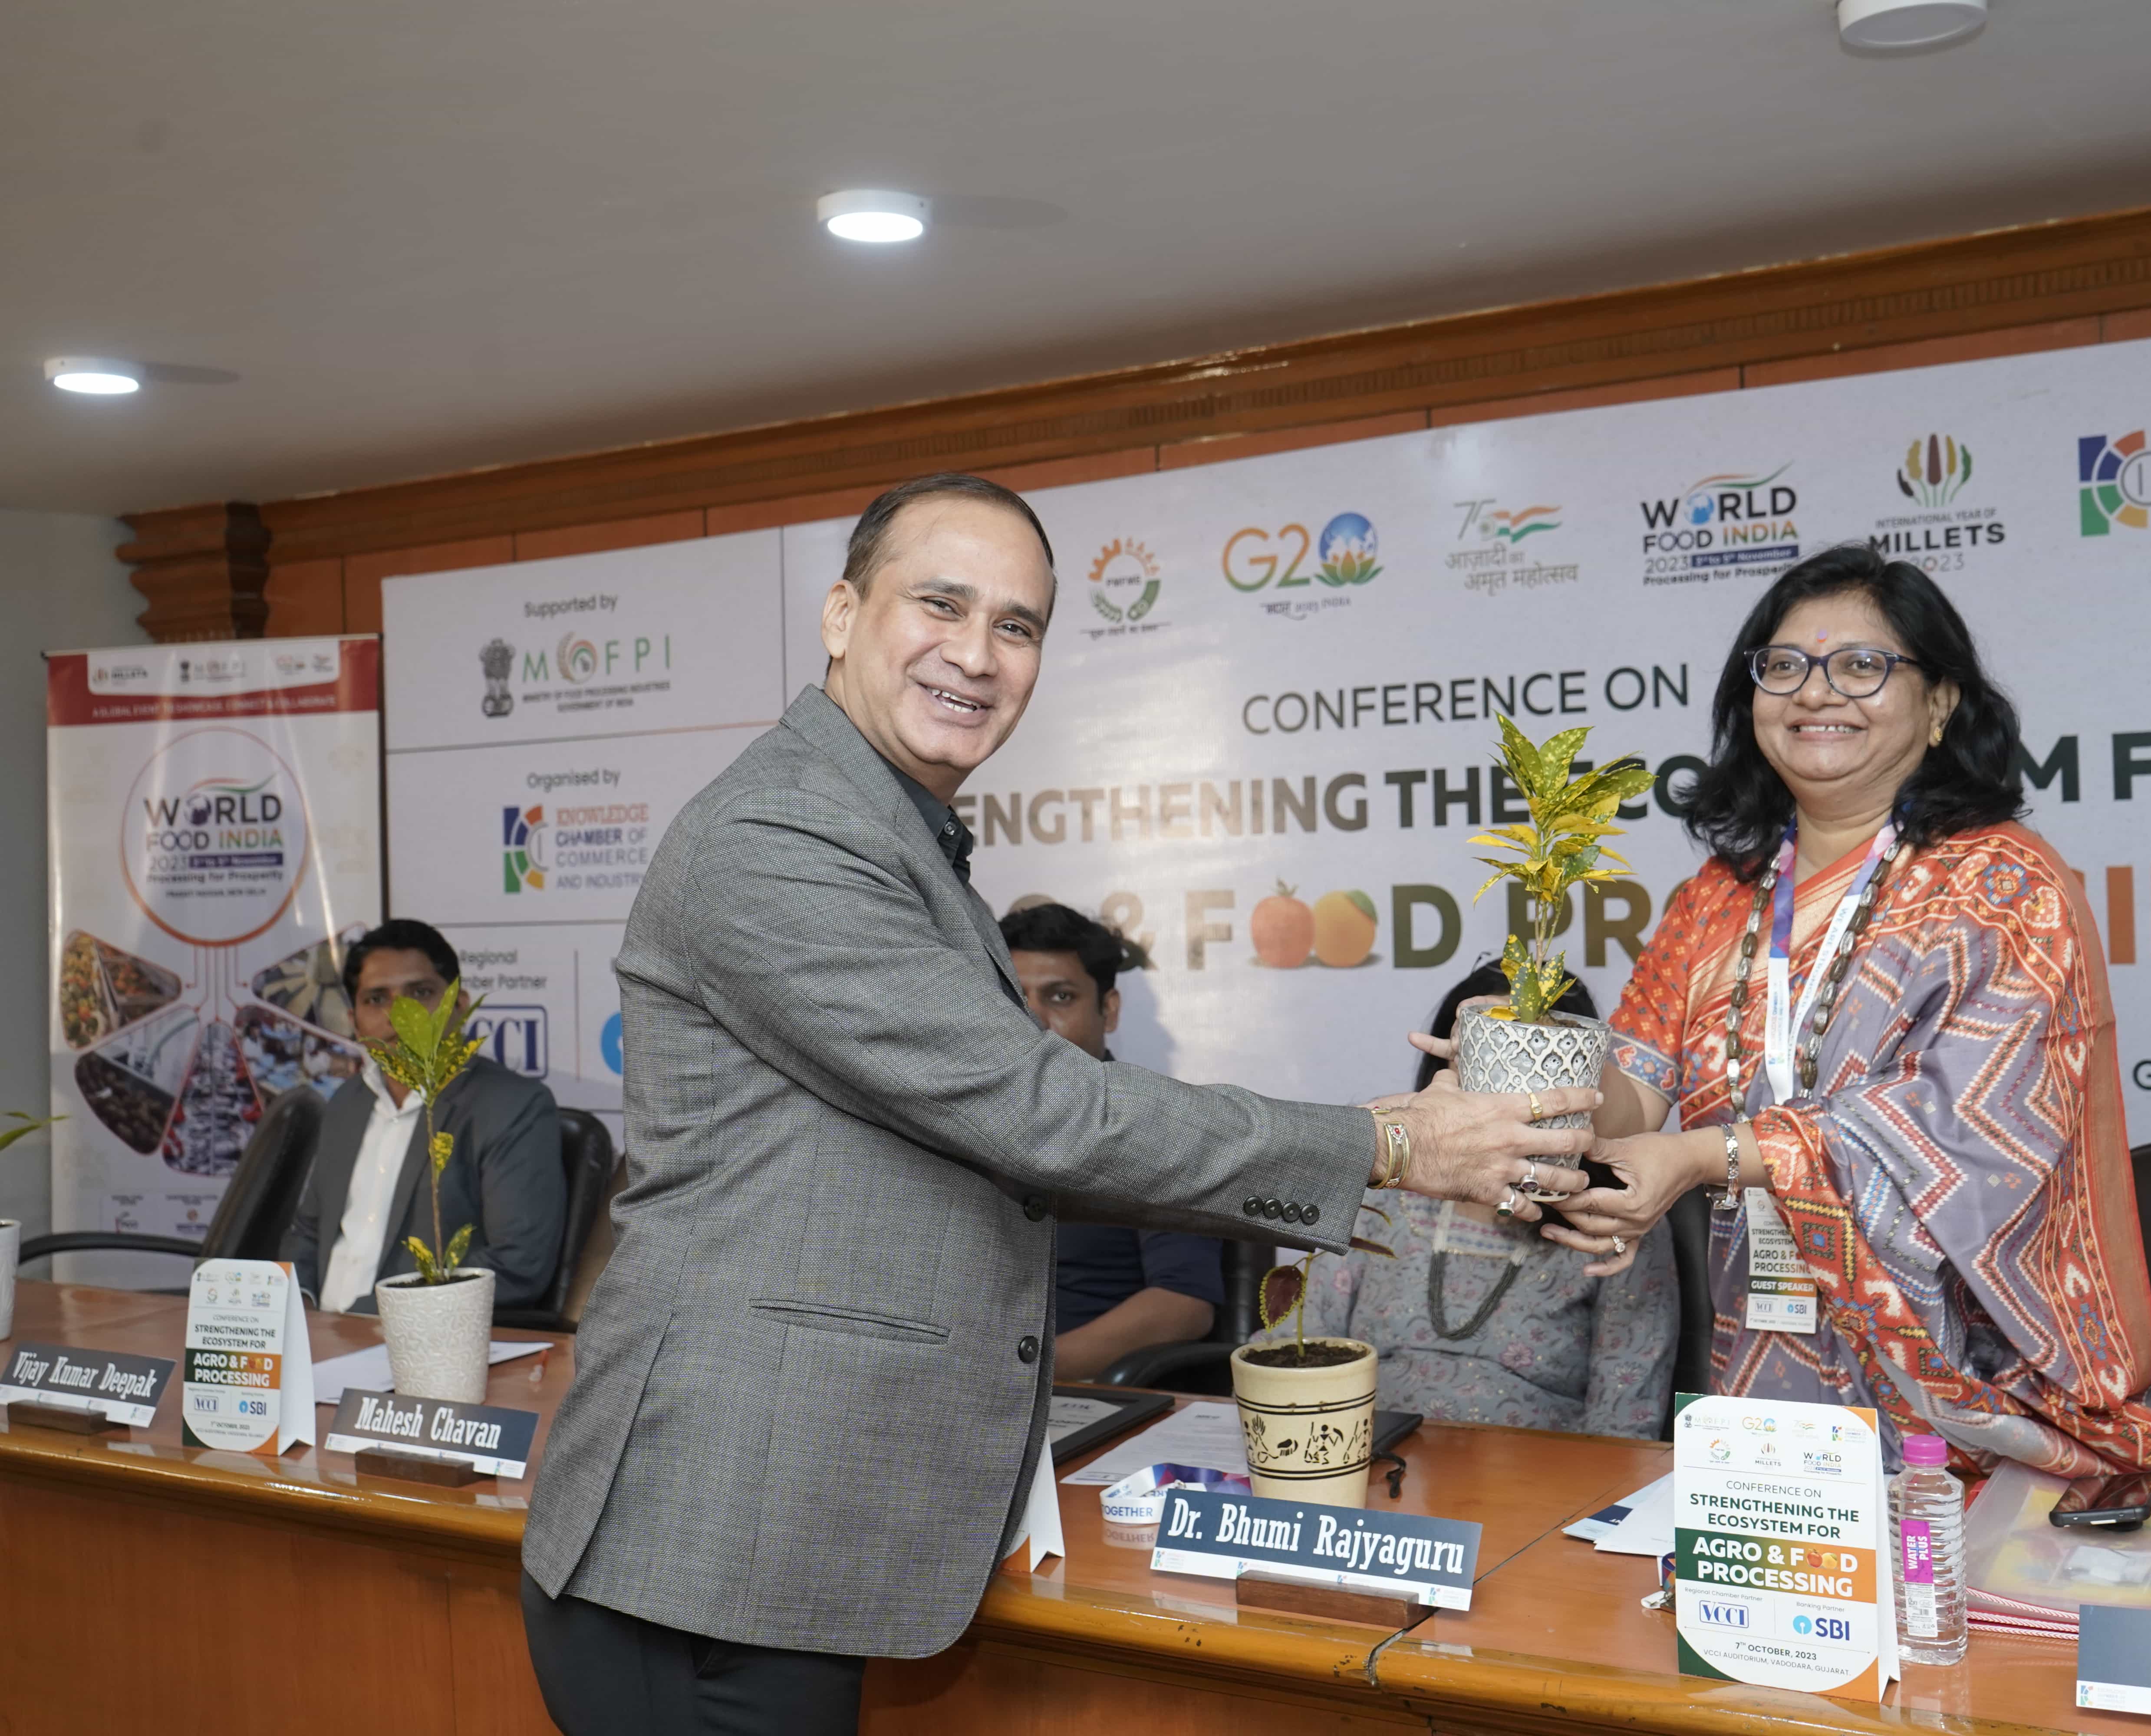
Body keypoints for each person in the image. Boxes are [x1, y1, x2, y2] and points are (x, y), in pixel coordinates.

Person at [519, 473, 1594, 1736]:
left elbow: (999, 1145)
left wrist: (1361, 1140)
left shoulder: (891, 830)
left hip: (776, 1531)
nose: (977, 654)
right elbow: (1040, 1115)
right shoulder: (783, 833)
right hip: (704, 1543)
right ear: (841, 614)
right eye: (941, 605)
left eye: (1016, 625)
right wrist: (1391, 1141)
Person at [1501, 542, 2151, 1488]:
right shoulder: (1716, 899)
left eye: (1862, 664)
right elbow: (1632, 1100)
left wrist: (1704, 1157)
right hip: (1775, 1384)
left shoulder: (2006, 887)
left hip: (1985, 1389)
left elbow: (1968, 1132)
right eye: (1784, 665)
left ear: (1941, 702)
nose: (1816, 692)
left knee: (1965, 1588)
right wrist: (1528, 1055)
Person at [1266, 963, 1677, 1439]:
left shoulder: (1616, 1217)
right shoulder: (1383, 1186)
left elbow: (1624, 1423)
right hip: (1369, 1465)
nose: (1508, 1089)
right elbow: (1293, 1354)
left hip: (1540, 1480)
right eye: (1490, 1056)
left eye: (1532, 1058)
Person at [280, 919, 566, 1314]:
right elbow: (309, 1232)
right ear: (354, 1022)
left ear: (459, 1006)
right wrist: (300, 1308)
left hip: (412, 1339)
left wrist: (362, 1322)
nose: (401, 1014)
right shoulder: (347, 1101)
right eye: (376, 999)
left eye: (421, 993)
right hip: (317, 1335)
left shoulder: (513, 1107)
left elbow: (517, 1265)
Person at [998, 900, 1225, 1380]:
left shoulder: (1160, 1126)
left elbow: (1184, 1305)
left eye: (1061, 997)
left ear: (1110, 1009)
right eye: (1015, 997)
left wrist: (1022, 1377)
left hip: (1078, 1391)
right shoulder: (954, 1117)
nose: (1032, 1019)